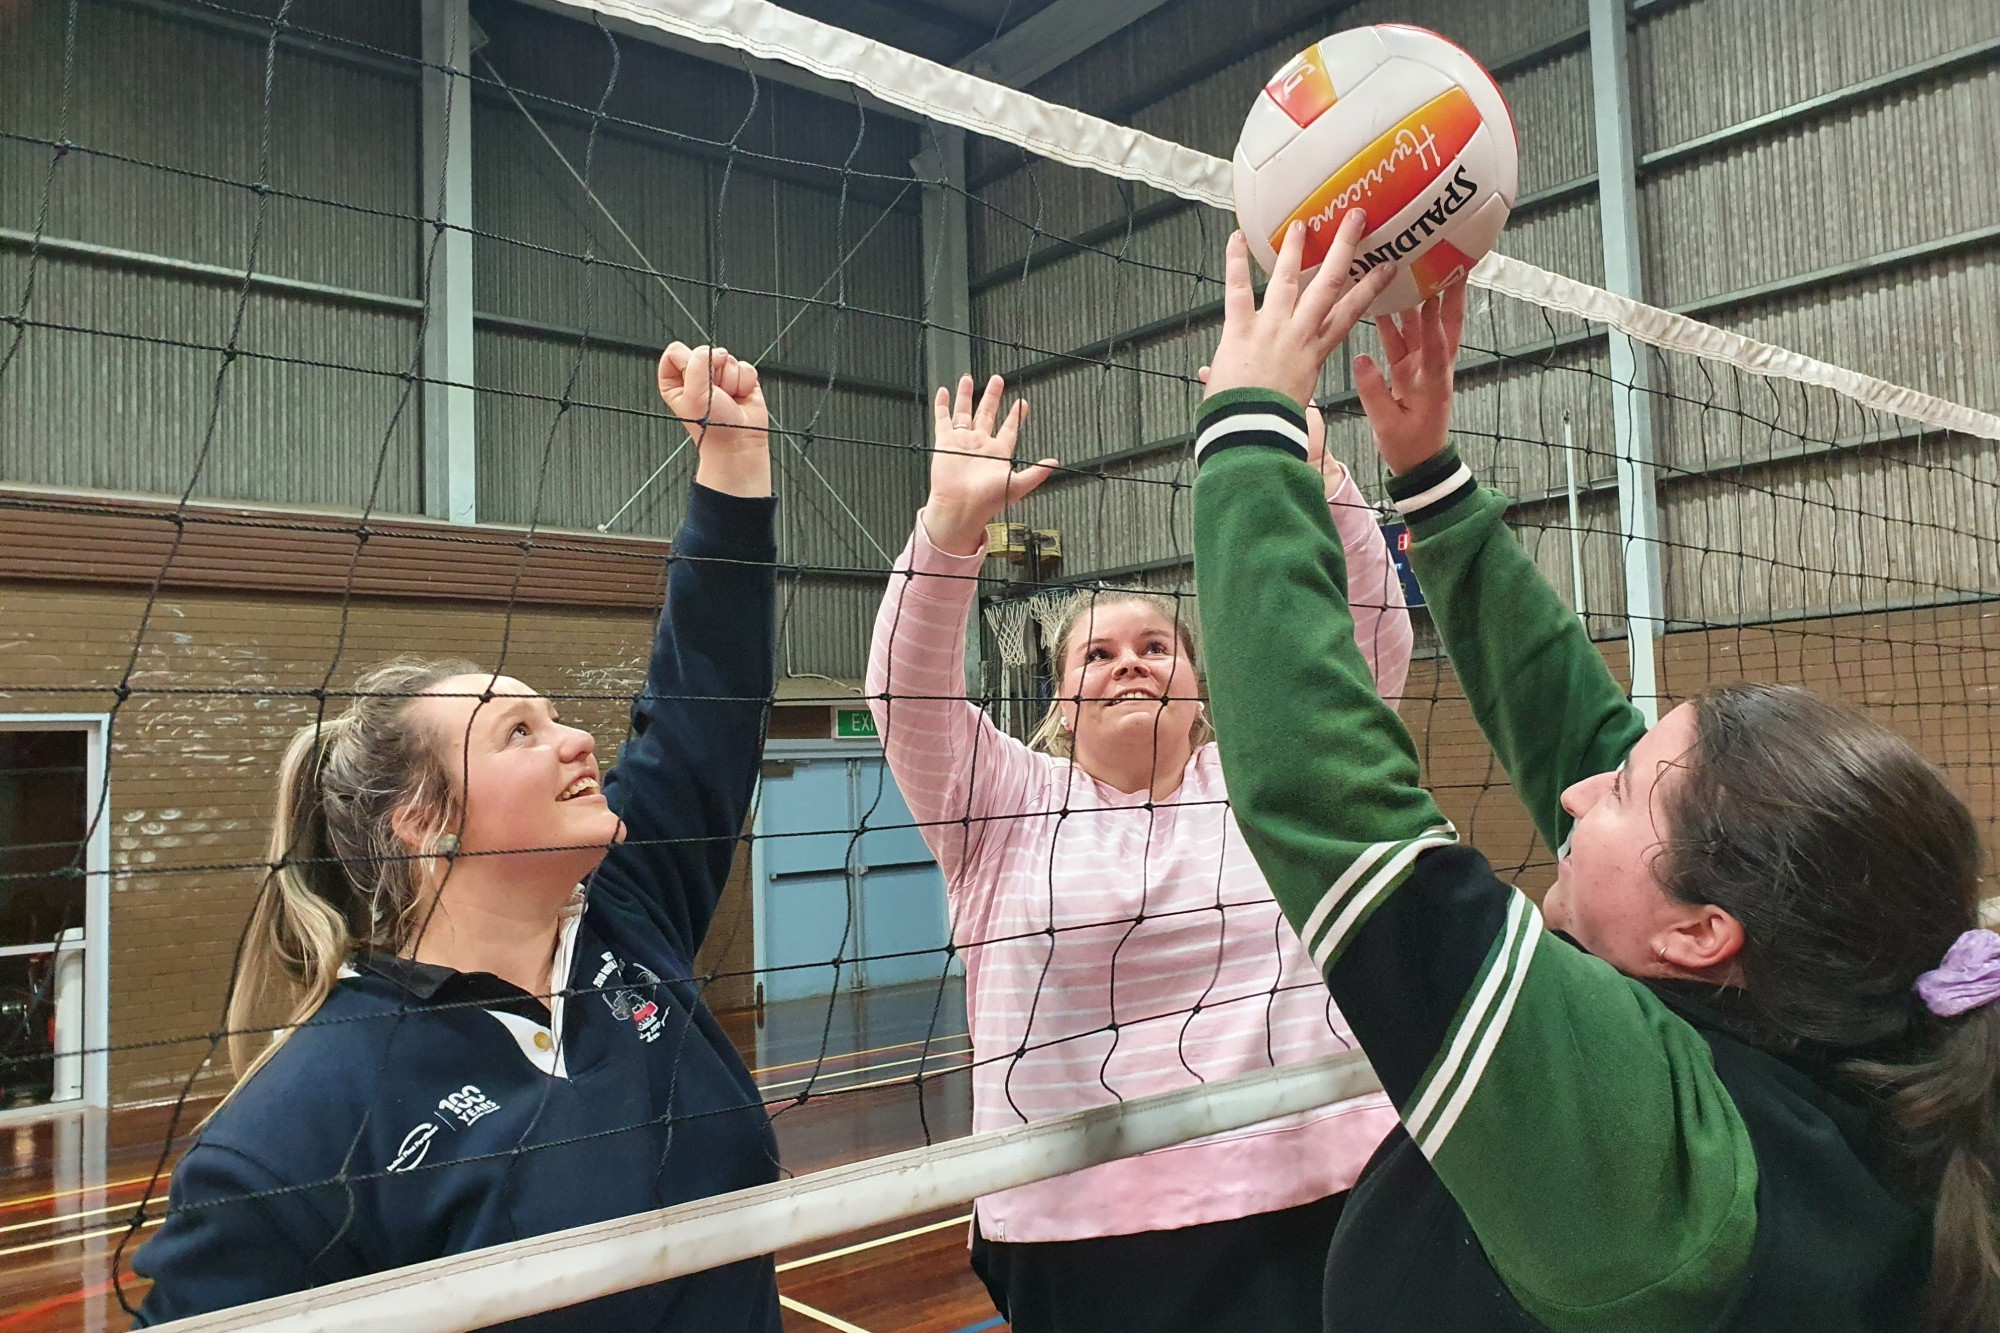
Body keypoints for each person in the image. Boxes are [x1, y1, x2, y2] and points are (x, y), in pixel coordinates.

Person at [1192, 211, 1997, 1332]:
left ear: (1701, 932)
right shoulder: (1855, 1032)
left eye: (1618, 795)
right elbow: (1584, 736)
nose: (1577, 790)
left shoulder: (1663, 1177)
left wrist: (1248, 427)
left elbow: (1326, 801)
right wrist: (1427, 478)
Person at [133, 344, 787, 1332]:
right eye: (517, 731)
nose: (575, 737)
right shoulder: (295, 1136)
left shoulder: (627, 915)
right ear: (426, 825)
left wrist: (731, 468)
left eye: (554, 714)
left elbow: (704, 702)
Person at [865, 370, 1410, 1333]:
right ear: (1060, 706)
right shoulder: (1000, 803)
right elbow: (906, 696)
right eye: (1097, 653)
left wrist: (1326, 481)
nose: (1129, 662)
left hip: (1317, 1180)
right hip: (1081, 1222)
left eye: (1157, 646)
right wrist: (948, 532)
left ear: (1203, 691)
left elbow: (1370, 649)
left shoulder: (1266, 783)